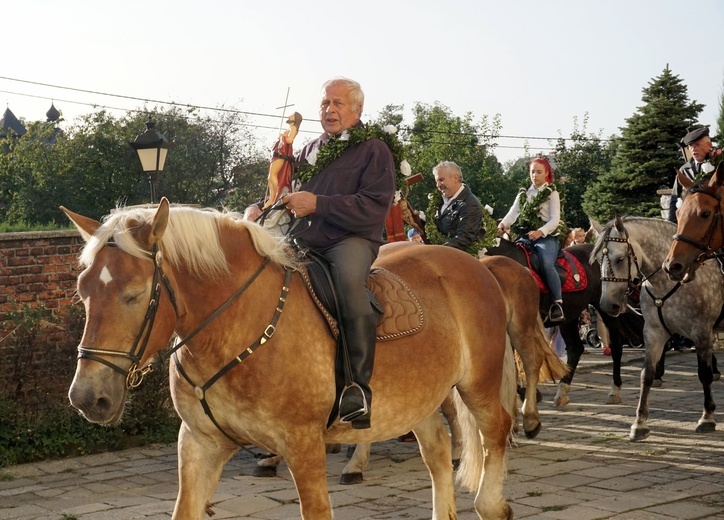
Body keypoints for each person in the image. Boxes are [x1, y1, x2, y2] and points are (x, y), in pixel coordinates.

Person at [279, 78, 396, 429]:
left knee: (347, 283)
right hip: (303, 238)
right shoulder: (309, 149)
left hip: (350, 239)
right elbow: (288, 190)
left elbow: (375, 206)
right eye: (324, 103)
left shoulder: (374, 149)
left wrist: (319, 204)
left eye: (338, 104)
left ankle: (356, 388)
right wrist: (262, 207)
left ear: (357, 109)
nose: (329, 110)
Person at [498, 157, 565, 323]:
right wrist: (502, 224)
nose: (534, 175)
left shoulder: (552, 192)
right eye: (532, 172)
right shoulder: (524, 193)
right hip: (526, 236)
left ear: (547, 173)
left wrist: (540, 232)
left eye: (538, 172)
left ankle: (557, 303)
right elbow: (513, 213)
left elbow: (555, 219)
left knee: (546, 263)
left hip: (546, 237)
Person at [668, 126, 719, 223]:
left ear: (709, 145)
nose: (693, 149)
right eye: (690, 146)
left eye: (697, 145)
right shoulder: (684, 170)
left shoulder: (719, 165)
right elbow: (675, 198)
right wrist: (670, 224)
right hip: (691, 223)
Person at [432, 161, 485, 251]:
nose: (438, 185)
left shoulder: (470, 204)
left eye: (441, 180)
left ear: (455, 178)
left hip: (460, 259)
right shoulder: (439, 201)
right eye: (437, 181)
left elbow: (465, 238)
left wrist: (437, 251)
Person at [263, 112, 302, 210]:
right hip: (278, 153)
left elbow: (290, 140)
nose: (289, 116)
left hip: (282, 154)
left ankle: (273, 198)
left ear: (295, 119)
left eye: (292, 116)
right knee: (270, 177)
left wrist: (282, 137)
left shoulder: (293, 128)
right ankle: (272, 197)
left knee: (273, 175)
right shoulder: (289, 128)